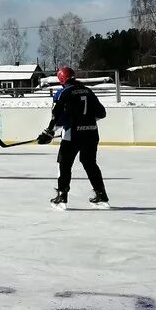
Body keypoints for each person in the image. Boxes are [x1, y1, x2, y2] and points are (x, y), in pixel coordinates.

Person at [38, 66, 109, 209]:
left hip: (72, 135)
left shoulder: (62, 93)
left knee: (64, 163)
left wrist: (49, 131)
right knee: (90, 163)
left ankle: (62, 195)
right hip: (91, 134)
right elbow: (101, 113)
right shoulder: (88, 91)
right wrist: (86, 121)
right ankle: (101, 194)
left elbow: (56, 115)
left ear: (61, 79)